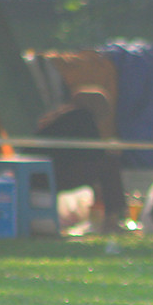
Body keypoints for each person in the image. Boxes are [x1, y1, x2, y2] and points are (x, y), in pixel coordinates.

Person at [36, 88, 126, 232]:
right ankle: (113, 218)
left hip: (41, 173)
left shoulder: (61, 118)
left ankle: (104, 215)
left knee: (103, 165)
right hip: (49, 175)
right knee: (110, 164)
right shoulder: (83, 118)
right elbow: (93, 153)